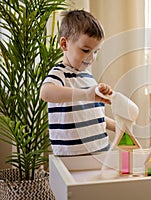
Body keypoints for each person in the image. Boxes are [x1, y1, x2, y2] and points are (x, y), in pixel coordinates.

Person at [40, 10, 115, 156]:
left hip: (100, 151)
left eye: (95, 52)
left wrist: (115, 126)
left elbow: (89, 114)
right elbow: (45, 92)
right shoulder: (59, 74)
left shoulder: (88, 77)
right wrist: (87, 94)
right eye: (85, 50)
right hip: (72, 156)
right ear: (64, 44)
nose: (91, 58)